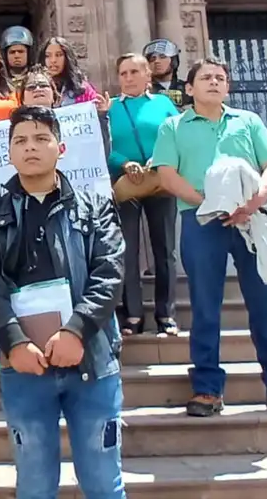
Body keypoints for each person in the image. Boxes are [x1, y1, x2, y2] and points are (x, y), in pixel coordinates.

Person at [151, 57, 267, 418]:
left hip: (252, 219)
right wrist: (210, 203)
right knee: (204, 306)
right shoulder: (172, 126)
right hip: (201, 220)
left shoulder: (249, 121)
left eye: (220, 78)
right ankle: (207, 389)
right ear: (189, 88)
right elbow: (166, 174)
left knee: (266, 305)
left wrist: (257, 198)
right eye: (206, 78)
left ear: (228, 87)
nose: (214, 83)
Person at [0, 106, 126, 499]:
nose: (31, 147)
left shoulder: (95, 206)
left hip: (89, 358)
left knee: (103, 481)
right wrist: (14, 342)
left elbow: (109, 274)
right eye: (20, 140)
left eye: (41, 138)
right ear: (8, 153)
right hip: (23, 364)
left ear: (61, 146)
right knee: (35, 483)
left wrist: (77, 331)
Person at [106, 54, 180, 336]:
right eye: (123, 73)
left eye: (134, 71)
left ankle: (166, 314)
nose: (128, 77)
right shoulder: (111, 107)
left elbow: (176, 137)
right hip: (126, 184)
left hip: (160, 180)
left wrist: (158, 158)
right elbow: (104, 144)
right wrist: (124, 162)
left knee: (165, 250)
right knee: (127, 250)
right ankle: (132, 314)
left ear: (147, 75)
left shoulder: (163, 104)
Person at [39, 36, 99, 107]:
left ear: (67, 58)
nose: (53, 60)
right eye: (48, 56)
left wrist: (102, 112)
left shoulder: (83, 89)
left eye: (59, 55)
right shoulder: (35, 89)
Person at [143, 39, 188, 110]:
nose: (157, 61)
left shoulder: (188, 89)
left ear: (173, 61)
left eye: (162, 57)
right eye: (152, 59)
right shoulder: (144, 91)